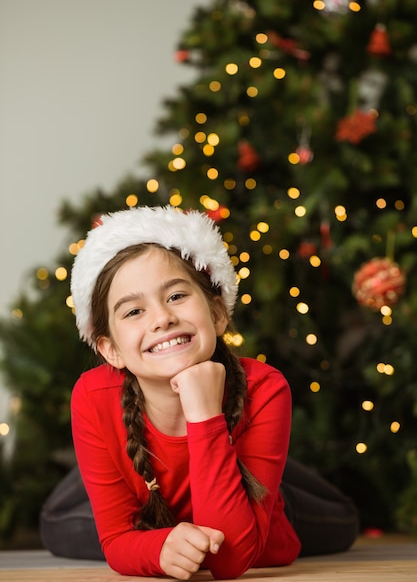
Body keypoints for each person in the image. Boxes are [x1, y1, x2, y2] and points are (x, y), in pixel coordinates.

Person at [40, 205, 359, 579]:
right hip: (141, 478)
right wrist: (158, 548)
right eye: (133, 312)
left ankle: (265, 467)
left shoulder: (265, 388)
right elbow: (116, 541)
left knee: (345, 523)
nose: (162, 318)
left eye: (176, 296)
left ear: (218, 312)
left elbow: (229, 560)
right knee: (62, 526)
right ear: (110, 350)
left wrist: (205, 416)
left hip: (245, 489)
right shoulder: (93, 395)